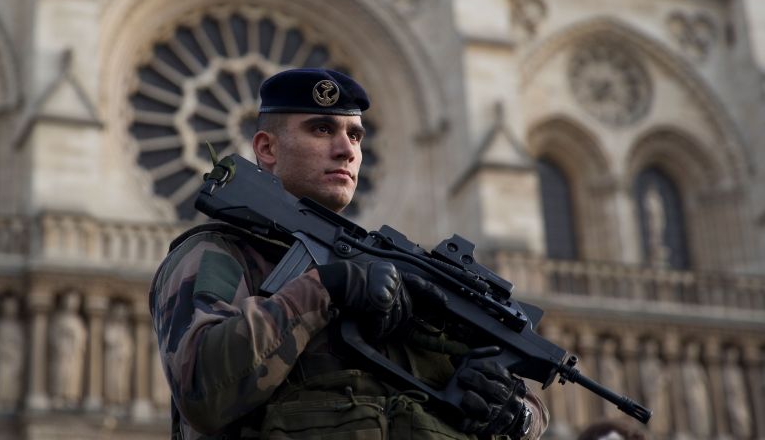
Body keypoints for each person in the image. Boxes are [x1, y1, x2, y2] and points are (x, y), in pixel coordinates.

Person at [150, 68, 549, 439]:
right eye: (322, 129)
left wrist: (518, 413)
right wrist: (325, 287)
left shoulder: (400, 275)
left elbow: (526, 407)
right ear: (267, 148)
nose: (347, 150)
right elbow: (202, 387)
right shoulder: (220, 252)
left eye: (356, 135)